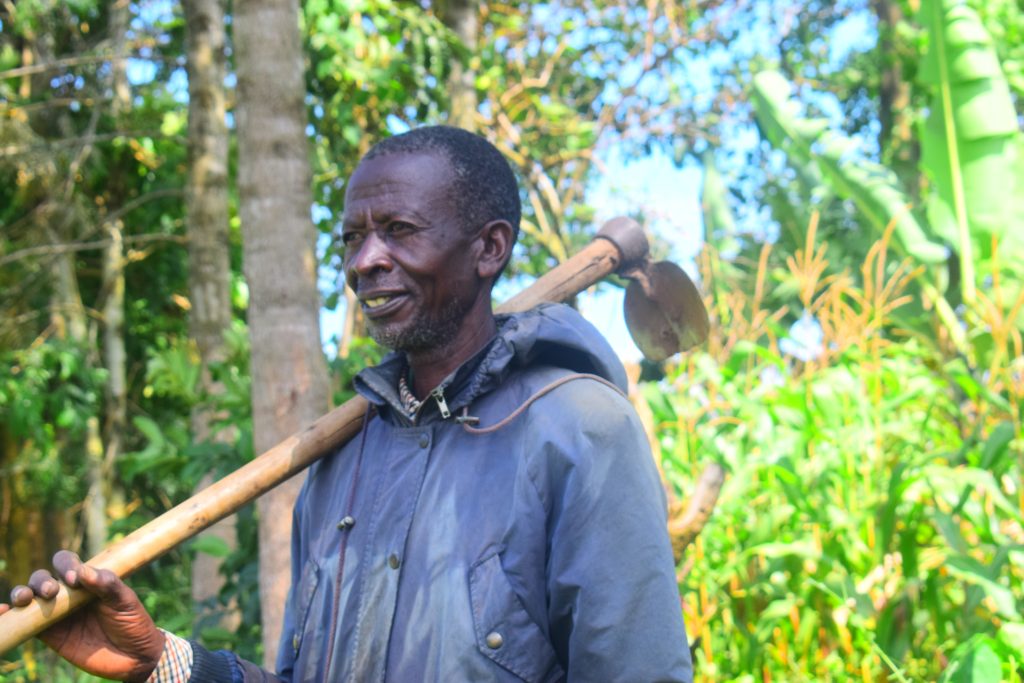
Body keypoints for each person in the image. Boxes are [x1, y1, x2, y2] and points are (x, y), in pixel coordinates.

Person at [1, 126, 693, 682]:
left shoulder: (579, 430)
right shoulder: (345, 460)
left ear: (489, 248)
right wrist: (163, 661)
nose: (366, 261)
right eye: (353, 239)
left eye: (399, 230)